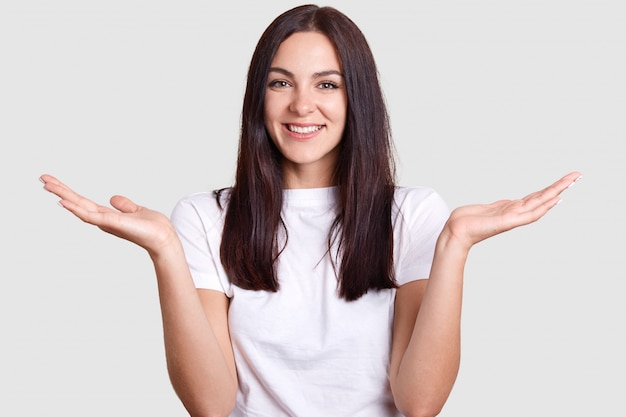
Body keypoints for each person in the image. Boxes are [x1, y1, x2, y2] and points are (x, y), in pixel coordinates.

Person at [40, 4, 581, 417]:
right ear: (260, 97)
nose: (302, 105)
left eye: (327, 84)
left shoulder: (414, 214)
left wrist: (455, 243)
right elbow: (210, 403)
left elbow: (418, 403)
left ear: (357, 99)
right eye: (281, 83)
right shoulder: (203, 218)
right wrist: (164, 252)